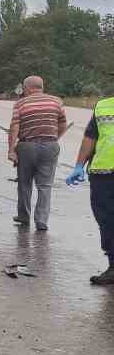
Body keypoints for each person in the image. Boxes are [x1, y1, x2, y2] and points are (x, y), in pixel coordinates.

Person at [7, 75, 68, 232]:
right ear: (42, 87)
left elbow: (14, 127)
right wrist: (54, 138)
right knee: (45, 186)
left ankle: (24, 216)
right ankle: (41, 220)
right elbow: (63, 124)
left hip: (27, 146)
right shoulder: (56, 101)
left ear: (27, 88)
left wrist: (11, 149)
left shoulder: (20, 103)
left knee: (24, 184)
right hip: (50, 146)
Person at [66, 92, 114, 285]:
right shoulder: (103, 106)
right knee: (106, 220)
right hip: (103, 174)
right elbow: (90, 137)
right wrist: (79, 165)